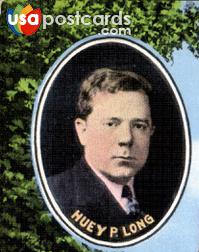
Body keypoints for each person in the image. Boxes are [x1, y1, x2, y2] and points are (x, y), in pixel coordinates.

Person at [48, 68, 162, 241]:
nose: (126, 138)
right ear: (82, 130)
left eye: (139, 126)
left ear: (151, 132)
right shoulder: (56, 196)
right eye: (111, 124)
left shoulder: (158, 204)